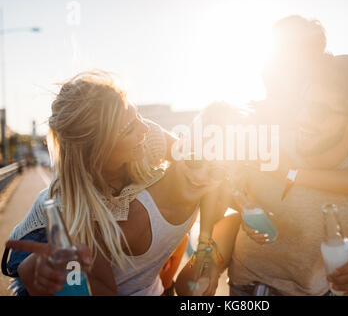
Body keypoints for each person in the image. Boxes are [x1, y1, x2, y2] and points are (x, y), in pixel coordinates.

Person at [177, 54, 348, 296]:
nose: (304, 118)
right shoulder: (265, 146)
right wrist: (207, 262)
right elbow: (222, 205)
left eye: (320, 111)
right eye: (304, 105)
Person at [183, 15, 348, 293]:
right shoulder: (252, 118)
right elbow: (217, 194)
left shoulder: (346, 124)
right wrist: (221, 236)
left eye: (291, 60)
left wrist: (292, 174)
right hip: (251, 278)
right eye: (276, 56)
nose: (276, 69)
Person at [2, 71, 223, 296]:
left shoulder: (148, 137)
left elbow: (197, 163)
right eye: (129, 129)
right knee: (69, 287)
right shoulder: (74, 207)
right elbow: (103, 289)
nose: (144, 129)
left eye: (137, 115)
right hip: (38, 241)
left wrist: (205, 243)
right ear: (99, 152)